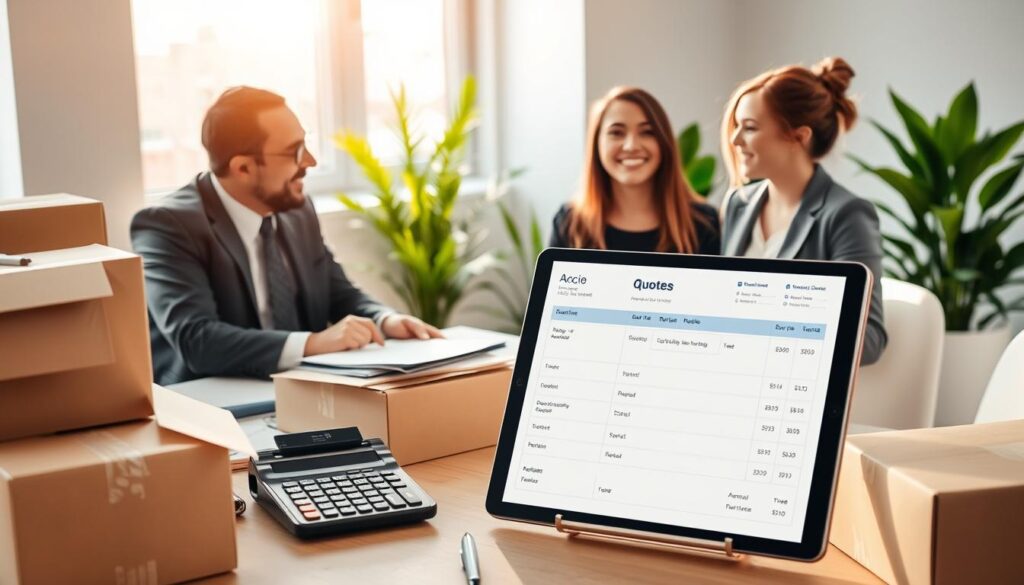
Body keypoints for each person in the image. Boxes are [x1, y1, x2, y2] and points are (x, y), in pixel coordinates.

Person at [132, 87, 441, 385]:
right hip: (212, 401)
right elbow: (197, 340)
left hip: (300, 387)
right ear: (243, 168)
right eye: (295, 151)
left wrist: (385, 320)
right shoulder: (167, 225)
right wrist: (313, 343)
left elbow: (337, 292)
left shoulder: (296, 207)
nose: (310, 161)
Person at [719, 57, 887, 365]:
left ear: (798, 136)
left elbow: (870, 339)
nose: (735, 140)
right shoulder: (737, 204)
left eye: (750, 128)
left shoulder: (847, 215)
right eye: (736, 126)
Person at [549, 86, 719, 254]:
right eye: (616, 132)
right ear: (597, 143)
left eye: (647, 132)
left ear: (664, 143)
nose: (631, 146)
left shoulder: (705, 222)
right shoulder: (570, 222)